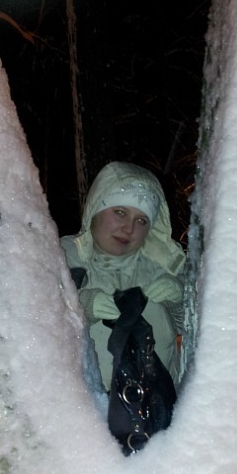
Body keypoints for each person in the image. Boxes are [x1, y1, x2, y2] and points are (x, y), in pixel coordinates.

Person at [61, 161, 186, 391]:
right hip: (84, 404)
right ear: (95, 208)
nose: (129, 228)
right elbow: (37, 320)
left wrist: (180, 301)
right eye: (120, 212)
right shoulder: (62, 257)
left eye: (141, 220)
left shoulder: (167, 265)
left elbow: (199, 335)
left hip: (158, 402)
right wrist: (83, 304)